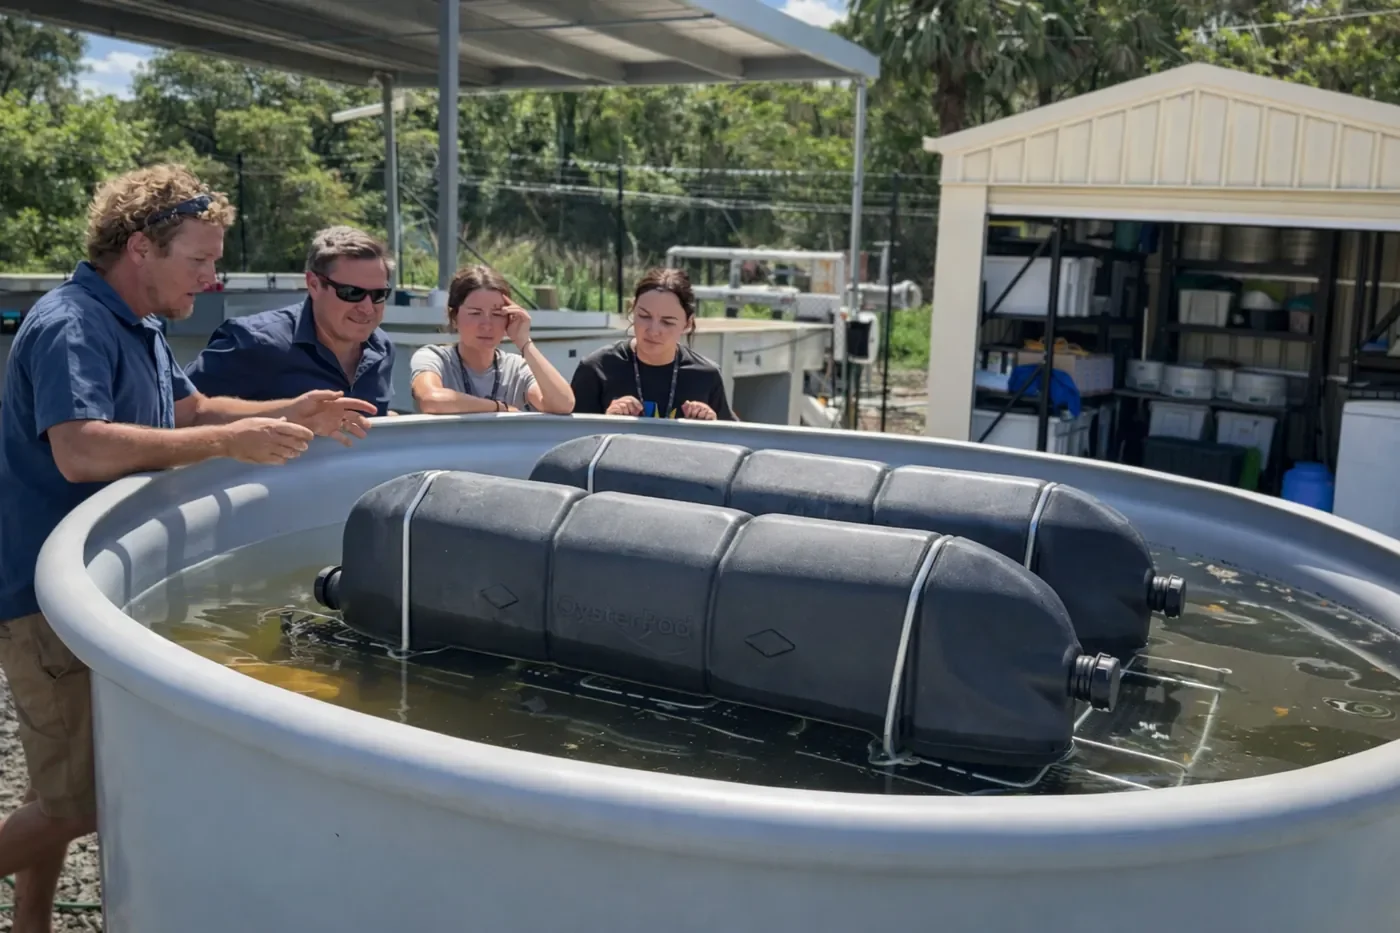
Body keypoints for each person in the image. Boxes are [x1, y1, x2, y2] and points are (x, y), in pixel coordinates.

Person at [0, 164, 375, 933]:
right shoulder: (71, 321)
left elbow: (190, 406)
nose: (212, 278)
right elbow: (79, 448)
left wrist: (290, 408)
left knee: (62, 785)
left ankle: (30, 922)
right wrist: (226, 444)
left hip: (85, 589)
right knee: (78, 801)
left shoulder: (138, 319)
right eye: (200, 261)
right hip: (39, 596)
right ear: (141, 246)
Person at [183, 225, 398, 416]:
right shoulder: (253, 342)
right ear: (313, 284)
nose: (367, 307)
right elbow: (177, 410)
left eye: (379, 294)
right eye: (352, 293)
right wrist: (288, 412)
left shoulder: (382, 348)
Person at [570, 267, 736, 421]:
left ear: (687, 323)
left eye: (667, 322)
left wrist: (711, 426)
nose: (653, 330)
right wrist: (607, 420)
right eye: (644, 316)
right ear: (632, 310)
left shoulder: (706, 376)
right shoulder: (597, 369)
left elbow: (734, 440)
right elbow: (570, 439)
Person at [410, 265, 574, 415]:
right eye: (475, 313)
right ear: (454, 318)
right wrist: (498, 407)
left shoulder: (516, 368)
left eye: (497, 314)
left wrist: (524, 343)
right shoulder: (434, 358)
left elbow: (563, 404)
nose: (487, 325)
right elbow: (431, 399)